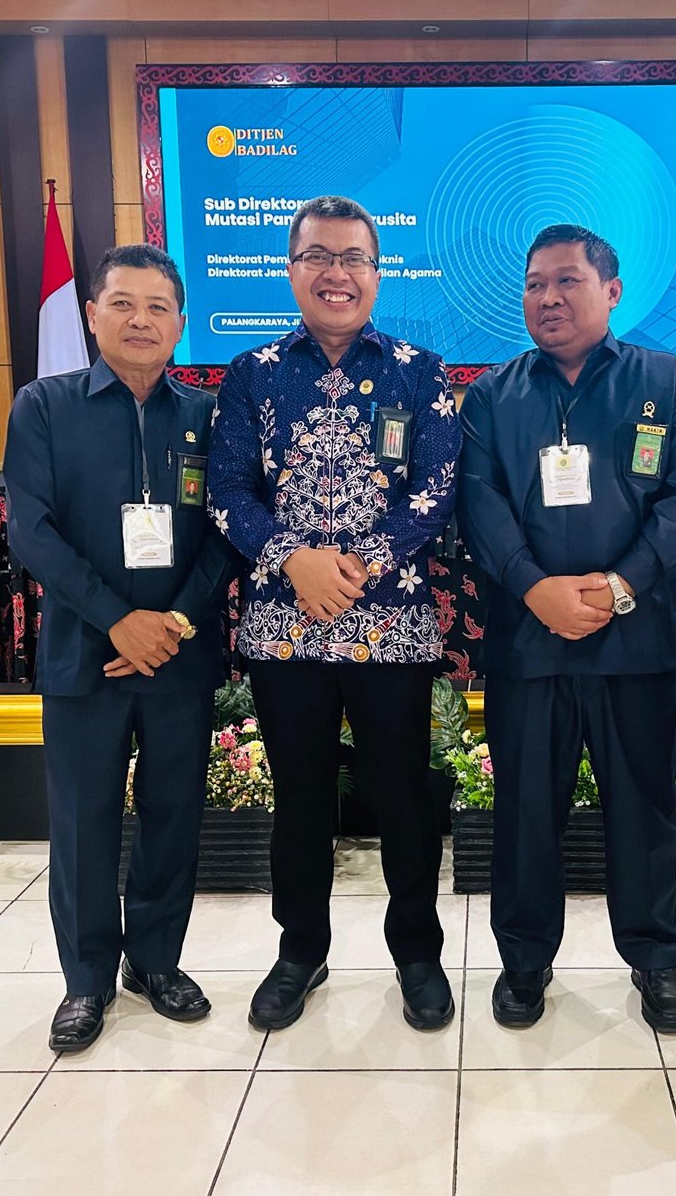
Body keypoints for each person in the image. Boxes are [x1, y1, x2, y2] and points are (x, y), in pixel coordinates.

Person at [209, 195, 462, 1033]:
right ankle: (300, 951)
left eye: (354, 257)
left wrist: (359, 567)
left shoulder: (421, 372)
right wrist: (295, 560)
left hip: (391, 627)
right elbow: (228, 492)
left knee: (403, 799)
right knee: (300, 801)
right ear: (291, 269)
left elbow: (437, 491)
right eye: (318, 256)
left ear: (377, 274)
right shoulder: (251, 374)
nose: (336, 273)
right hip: (285, 629)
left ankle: (416, 954)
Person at [459, 224, 676, 1032]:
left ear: (612, 291)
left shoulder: (668, 384)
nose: (548, 298)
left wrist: (618, 585)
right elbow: (479, 502)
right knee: (525, 814)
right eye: (535, 283)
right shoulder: (492, 396)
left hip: (634, 643)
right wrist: (534, 588)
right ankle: (524, 962)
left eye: (567, 281)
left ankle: (655, 959)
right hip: (528, 643)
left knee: (643, 812)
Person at [6, 244, 237, 1053]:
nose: (142, 320)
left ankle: (157, 962)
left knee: (174, 819)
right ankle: (86, 981)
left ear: (181, 322)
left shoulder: (209, 415)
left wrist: (172, 623)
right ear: (92, 314)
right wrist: (117, 620)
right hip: (85, 656)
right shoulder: (44, 406)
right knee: (83, 825)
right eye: (123, 304)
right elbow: (32, 530)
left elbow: (229, 529)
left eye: (158, 307)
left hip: (179, 658)